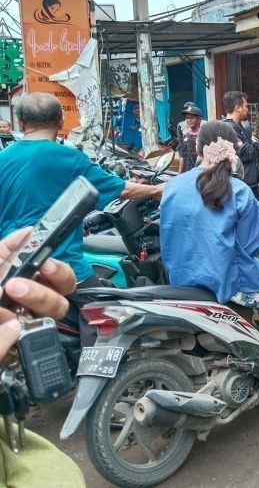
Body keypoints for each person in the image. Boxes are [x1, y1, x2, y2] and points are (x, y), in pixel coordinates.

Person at [0, 93, 163, 344]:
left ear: (21, 122)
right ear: (60, 120)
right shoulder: (69, 158)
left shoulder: (4, 158)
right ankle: (92, 375)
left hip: (10, 264)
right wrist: (159, 189)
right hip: (58, 263)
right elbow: (122, 189)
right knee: (101, 313)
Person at [160, 121, 259, 356]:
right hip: (227, 281)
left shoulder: (172, 186)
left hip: (182, 280)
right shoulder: (240, 191)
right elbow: (250, 246)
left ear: (198, 149)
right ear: (233, 150)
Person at [0, 230, 86, 487]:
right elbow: (122, 188)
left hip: (24, 274)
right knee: (95, 320)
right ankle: (94, 380)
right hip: (71, 270)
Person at [221, 91, 259, 201]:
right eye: (245, 106)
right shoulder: (229, 128)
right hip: (243, 183)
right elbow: (246, 153)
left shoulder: (237, 126)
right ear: (237, 108)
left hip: (248, 182)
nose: (247, 109)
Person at [177, 106, 203, 173]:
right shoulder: (186, 136)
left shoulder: (203, 136)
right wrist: (179, 174)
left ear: (199, 120)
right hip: (186, 173)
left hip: (199, 172)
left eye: (192, 118)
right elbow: (182, 156)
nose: (189, 120)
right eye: (187, 118)